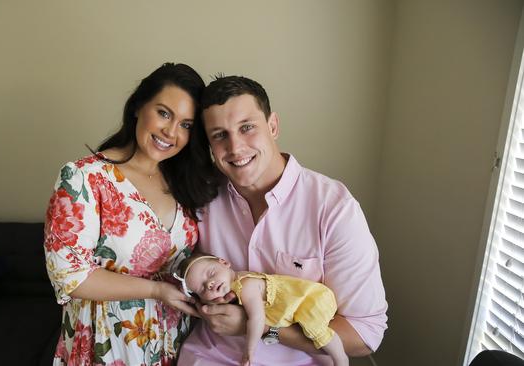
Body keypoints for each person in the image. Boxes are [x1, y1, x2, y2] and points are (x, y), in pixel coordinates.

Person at [178, 75, 388, 365]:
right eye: (220, 135)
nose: (236, 147)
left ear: (273, 126)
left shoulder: (334, 209)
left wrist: (264, 329)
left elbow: (365, 334)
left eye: (247, 127)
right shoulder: (201, 199)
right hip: (208, 357)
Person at [43, 62, 218, 366]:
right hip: (108, 345)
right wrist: (156, 290)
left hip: (178, 342)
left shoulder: (184, 182)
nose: (171, 132)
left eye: (186, 125)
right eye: (164, 113)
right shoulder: (84, 178)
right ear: (138, 106)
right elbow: (69, 276)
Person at [176, 253, 348, 366]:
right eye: (202, 289)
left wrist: (248, 351)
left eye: (211, 273)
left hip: (311, 300)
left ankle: (341, 359)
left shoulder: (246, 285)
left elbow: (256, 319)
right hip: (298, 307)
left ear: (225, 262)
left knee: (314, 330)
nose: (210, 284)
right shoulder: (236, 284)